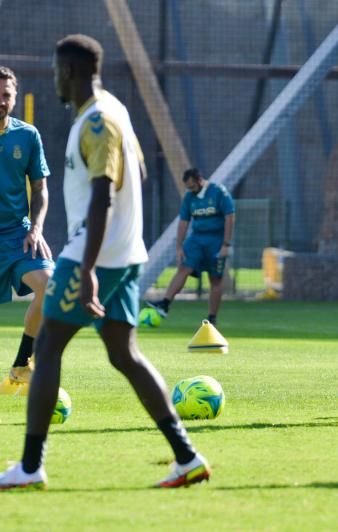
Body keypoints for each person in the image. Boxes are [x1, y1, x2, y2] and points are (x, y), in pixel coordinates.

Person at [0, 34, 209, 490]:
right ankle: (187, 457)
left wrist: (89, 268)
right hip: (124, 253)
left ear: (70, 72)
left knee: (49, 345)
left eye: (56, 72)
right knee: (124, 354)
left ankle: (30, 466)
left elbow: (101, 198)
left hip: (96, 257)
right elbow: (138, 173)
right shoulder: (113, 110)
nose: (53, 79)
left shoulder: (96, 121)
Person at [0, 66, 54, 390]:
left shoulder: (28, 135)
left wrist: (36, 229)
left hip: (18, 233)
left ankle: (22, 363)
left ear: (15, 98)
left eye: (6, 95)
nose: (1, 101)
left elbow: (40, 189)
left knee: (52, 286)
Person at [146, 168, 234, 327]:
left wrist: (226, 244)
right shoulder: (189, 197)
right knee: (183, 267)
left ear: (200, 181)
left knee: (215, 279)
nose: (190, 190)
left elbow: (229, 216)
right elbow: (183, 221)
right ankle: (165, 304)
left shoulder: (219, 192)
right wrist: (179, 247)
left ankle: (212, 318)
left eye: (192, 186)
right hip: (197, 239)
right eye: (188, 187)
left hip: (216, 240)